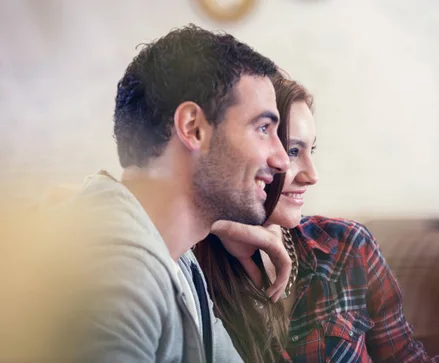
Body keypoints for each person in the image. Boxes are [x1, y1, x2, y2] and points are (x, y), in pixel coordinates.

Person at [46, 25, 295, 363]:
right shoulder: (118, 274)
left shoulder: (178, 258)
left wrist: (225, 227)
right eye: (263, 128)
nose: (281, 160)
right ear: (193, 128)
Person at [196, 72, 439, 362]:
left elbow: (407, 357)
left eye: (310, 150)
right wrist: (212, 220)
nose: (312, 176)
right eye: (292, 151)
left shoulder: (347, 246)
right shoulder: (189, 269)